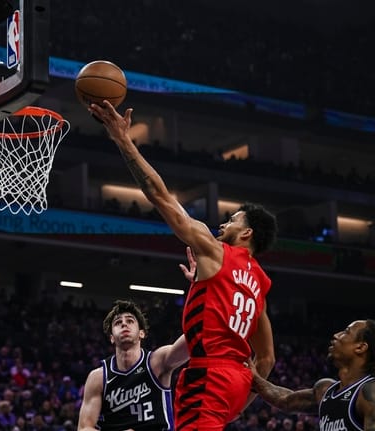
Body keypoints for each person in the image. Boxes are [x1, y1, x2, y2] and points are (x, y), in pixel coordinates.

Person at [90, 101, 278, 430]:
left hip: (210, 375)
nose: (224, 224)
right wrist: (238, 405)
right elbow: (267, 358)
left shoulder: (215, 250)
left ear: (246, 233)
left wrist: (123, 139)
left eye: (233, 220)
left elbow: (161, 196)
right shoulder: (260, 282)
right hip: (236, 379)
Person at [248, 319, 375, 431]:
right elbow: (285, 400)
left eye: (346, 332)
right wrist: (254, 378)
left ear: (360, 347)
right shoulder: (325, 390)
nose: (336, 335)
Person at [78, 299, 189, 431]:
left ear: (141, 333)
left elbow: (194, 339)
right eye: (118, 323)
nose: (124, 324)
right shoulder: (98, 377)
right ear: (112, 337)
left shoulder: (157, 362)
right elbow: (84, 427)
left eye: (130, 321)